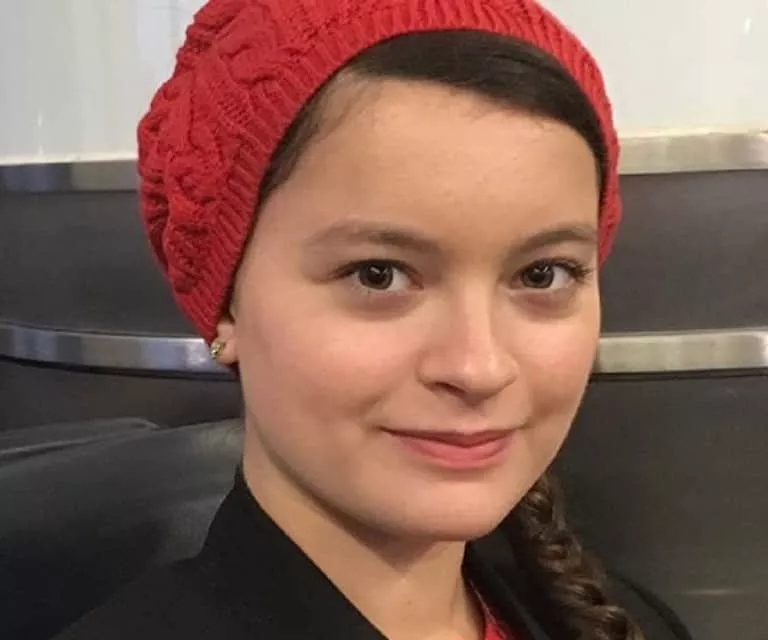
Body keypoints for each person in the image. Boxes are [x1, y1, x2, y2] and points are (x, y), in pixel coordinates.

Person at [56, 1, 691, 639]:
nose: (479, 367)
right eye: (378, 275)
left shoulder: (625, 620)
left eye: (542, 275)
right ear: (225, 307)